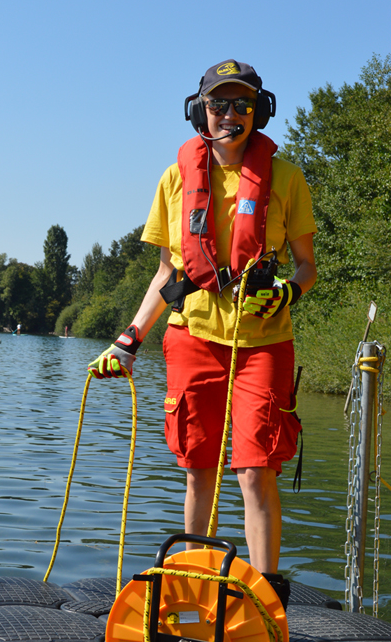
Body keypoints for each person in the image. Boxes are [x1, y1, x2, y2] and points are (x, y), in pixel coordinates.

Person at [88, 60, 317, 609]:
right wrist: (130, 339)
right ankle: (194, 594)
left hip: (263, 343)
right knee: (197, 469)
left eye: (241, 105)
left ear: (258, 112)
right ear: (200, 111)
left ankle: (266, 605)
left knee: (256, 469)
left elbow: (306, 265)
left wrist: (286, 290)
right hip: (193, 339)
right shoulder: (175, 179)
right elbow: (167, 275)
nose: (230, 114)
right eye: (220, 104)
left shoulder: (285, 179)